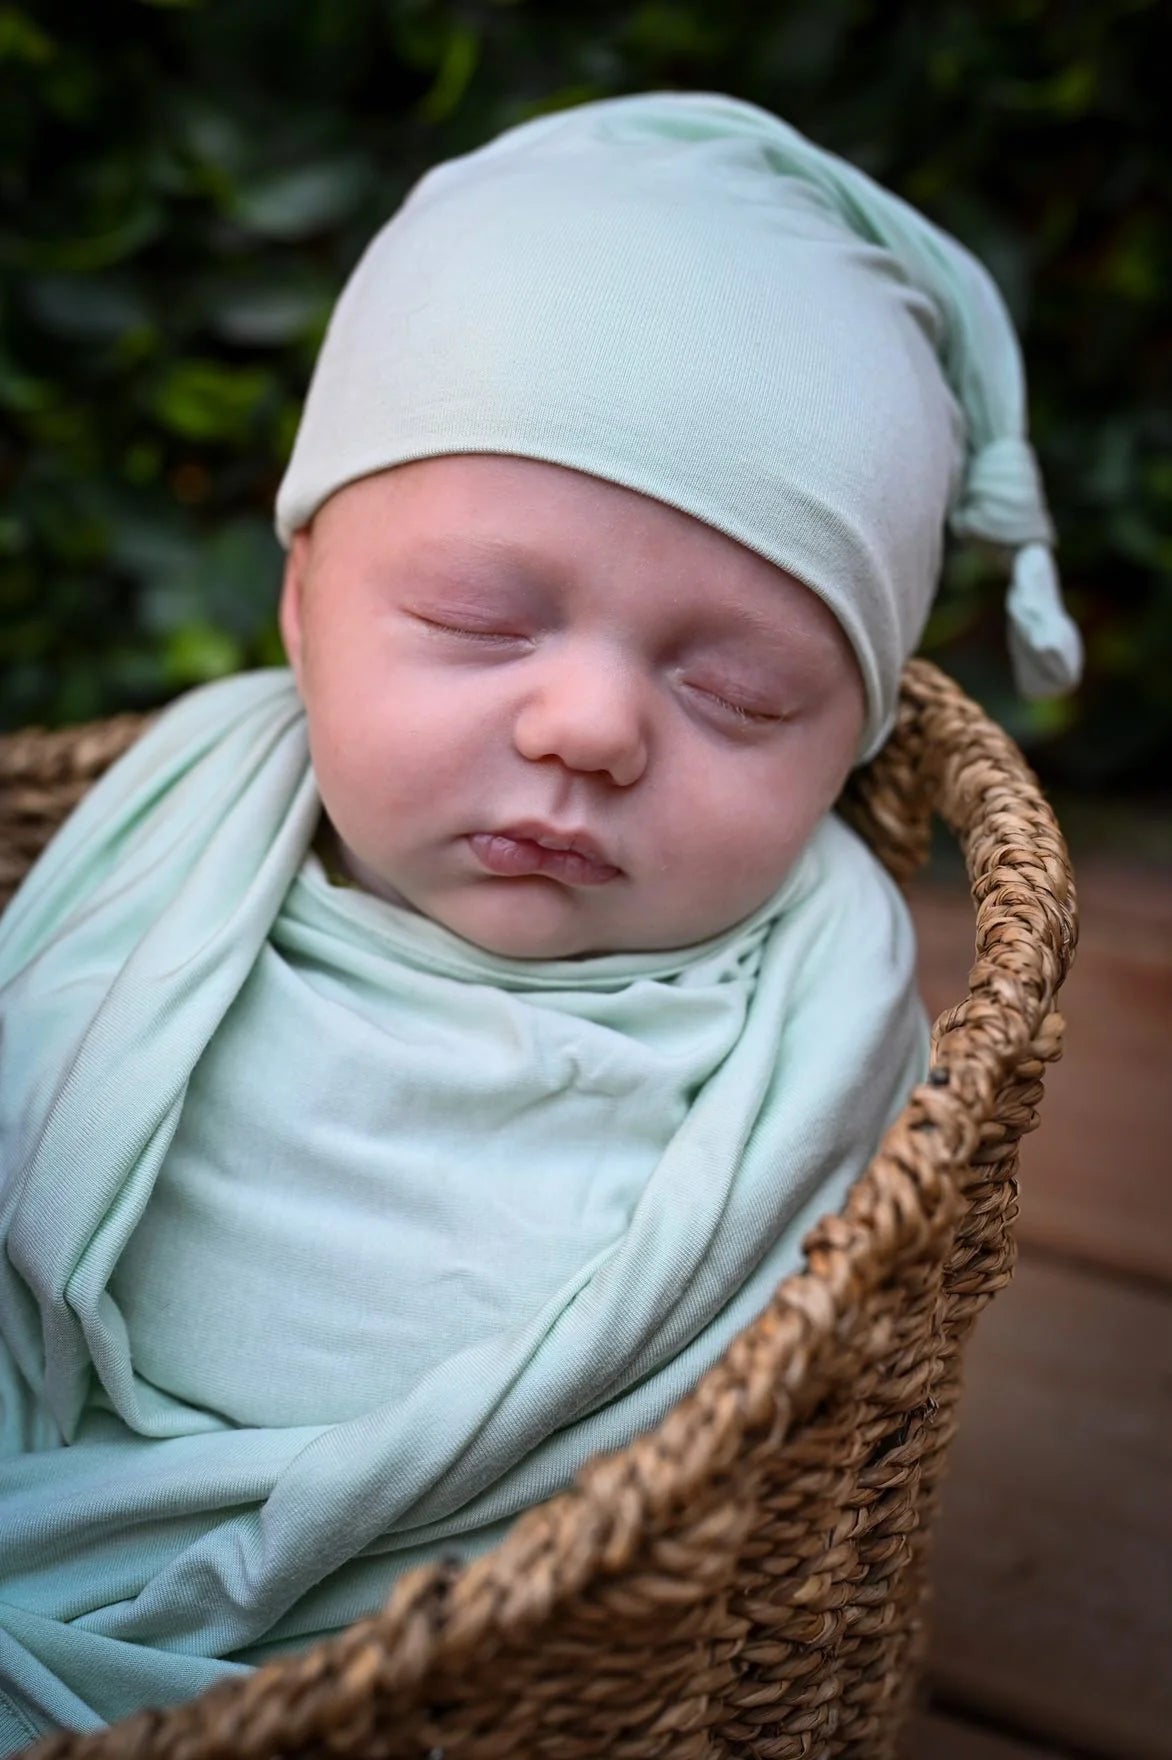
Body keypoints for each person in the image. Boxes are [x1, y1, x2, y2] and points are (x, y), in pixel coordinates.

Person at [0, 91, 1081, 1745]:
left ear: (854, 744)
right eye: (473, 618)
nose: (589, 726)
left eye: (736, 693)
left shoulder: (811, 1006)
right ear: (300, 606)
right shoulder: (176, 831)